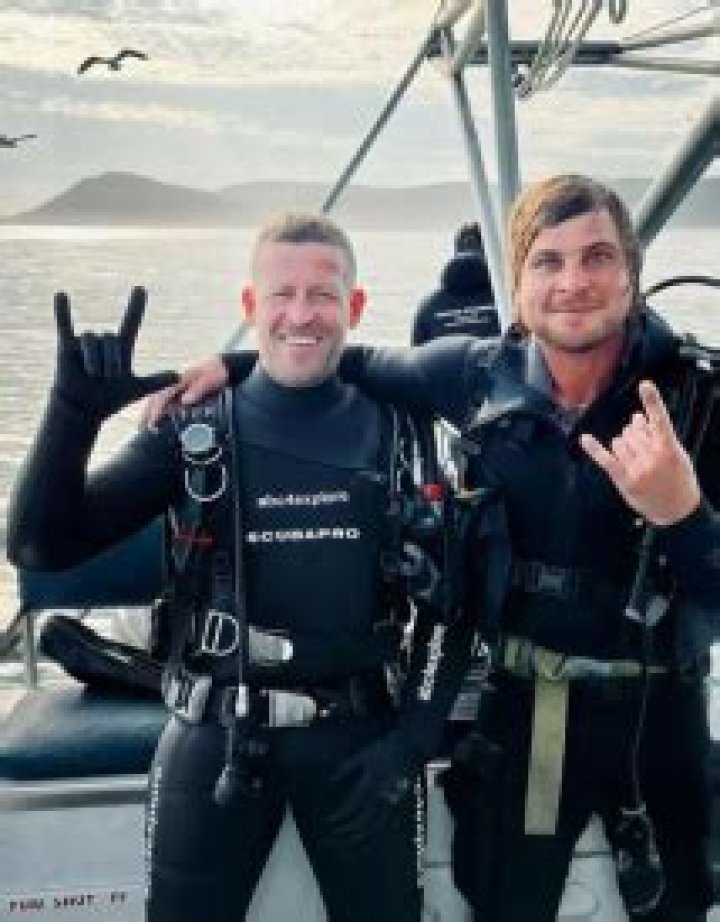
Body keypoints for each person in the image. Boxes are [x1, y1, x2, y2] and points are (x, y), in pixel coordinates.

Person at [154, 175, 719, 921]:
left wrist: (684, 516)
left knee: (680, 908)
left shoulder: (699, 399)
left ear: (632, 272)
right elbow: (342, 359)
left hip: (661, 713)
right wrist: (230, 367)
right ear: (517, 283)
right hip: (527, 712)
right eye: (548, 261)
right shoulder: (473, 374)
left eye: (598, 257)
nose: (573, 282)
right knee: (507, 907)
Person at [6, 213, 476, 922]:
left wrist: (412, 741)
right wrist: (71, 415)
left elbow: (451, 601)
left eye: (323, 295)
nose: (301, 313)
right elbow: (42, 547)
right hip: (213, 734)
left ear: (354, 307)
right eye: (282, 293)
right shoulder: (195, 427)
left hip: (361, 742)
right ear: (252, 305)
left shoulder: (400, 429)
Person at [411, 221, 499, 346]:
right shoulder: (507, 302)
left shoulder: (427, 308)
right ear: (491, 252)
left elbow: (416, 355)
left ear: (456, 252)